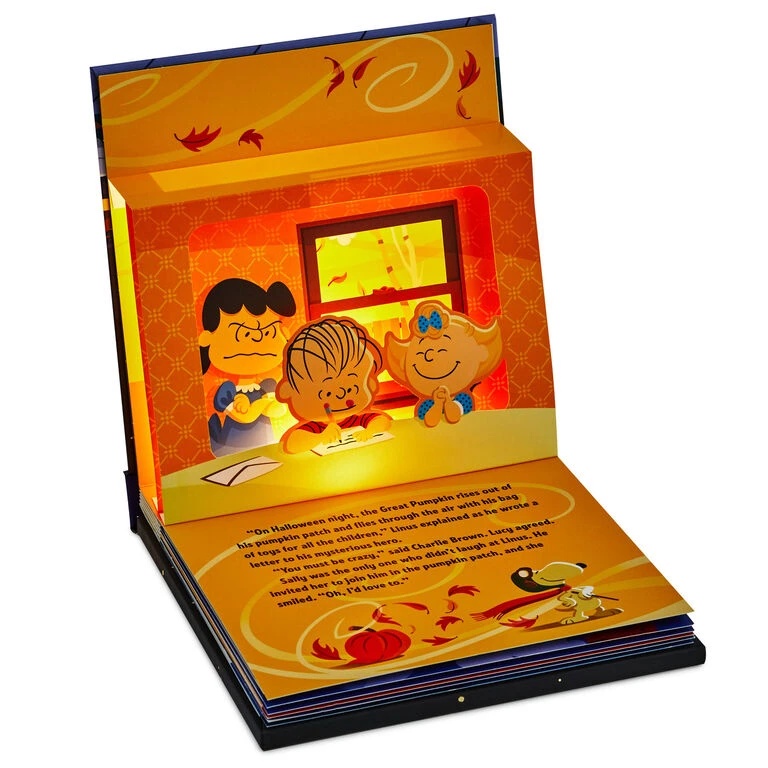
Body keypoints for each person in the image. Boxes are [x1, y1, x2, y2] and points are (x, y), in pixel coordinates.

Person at [199, 278, 296, 456]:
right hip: (232, 450)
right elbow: (245, 417)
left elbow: (278, 410)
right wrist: (263, 404)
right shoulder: (227, 390)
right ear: (207, 339)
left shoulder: (267, 385)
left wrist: (258, 405)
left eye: (268, 332)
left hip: (267, 447)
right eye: (241, 334)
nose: (256, 339)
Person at [276, 317, 391, 454]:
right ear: (288, 390)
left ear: (369, 384)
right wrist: (320, 437)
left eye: (351, 389)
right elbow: (292, 443)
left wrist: (369, 431)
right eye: (326, 394)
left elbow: (383, 421)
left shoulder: (358, 420)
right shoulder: (313, 427)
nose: (341, 396)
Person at [384, 300, 502, 427]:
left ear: (480, 353)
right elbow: (429, 422)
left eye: (446, 351)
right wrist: (438, 404)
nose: (432, 356)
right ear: (403, 363)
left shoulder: (463, 398)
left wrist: (447, 401)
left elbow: (454, 416)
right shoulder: (426, 404)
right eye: (423, 354)